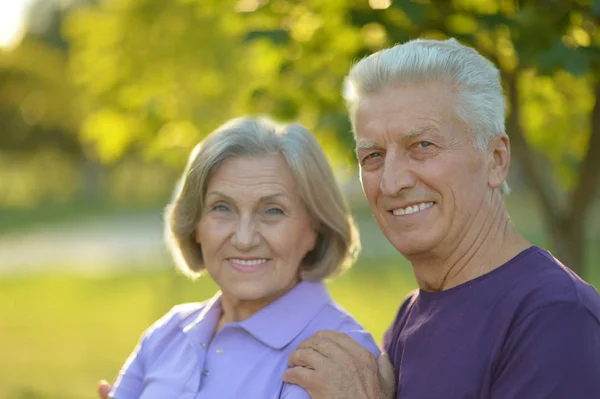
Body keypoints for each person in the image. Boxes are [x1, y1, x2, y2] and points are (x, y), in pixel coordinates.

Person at [281, 38, 600, 398]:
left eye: (422, 146)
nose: (391, 182)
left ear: (495, 160)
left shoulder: (554, 315)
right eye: (372, 156)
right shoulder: (414, 312)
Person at [101, 116, 381, 399]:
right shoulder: (168, 333)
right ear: (196, 225)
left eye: (272, 211)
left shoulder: (341, 359)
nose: (244, 239)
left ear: (315, 229)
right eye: (222, 208)